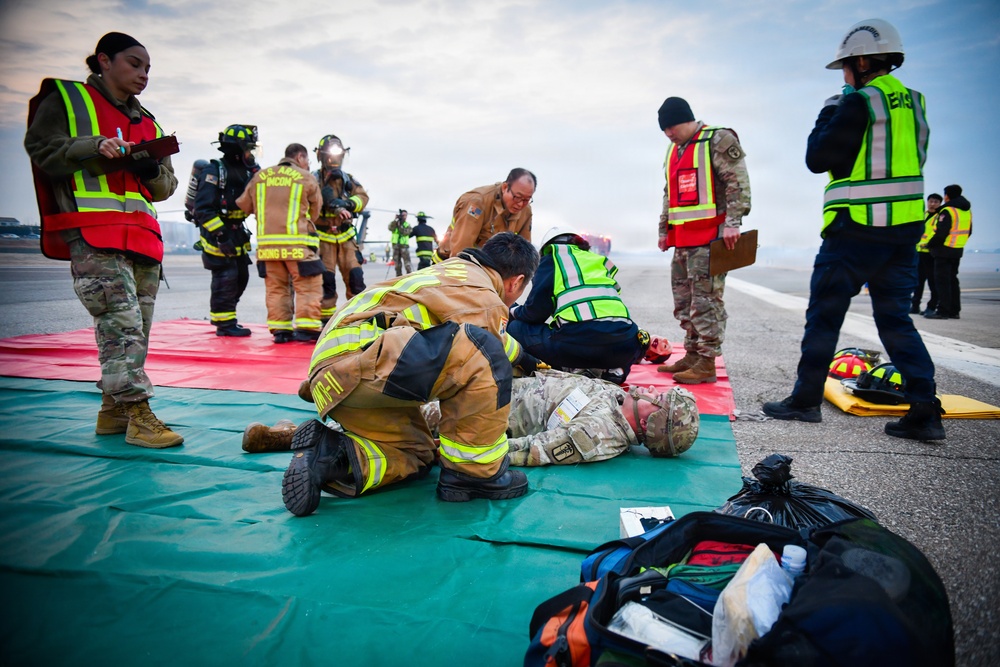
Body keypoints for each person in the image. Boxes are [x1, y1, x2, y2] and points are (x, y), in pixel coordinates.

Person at [762, 19, 944, 441]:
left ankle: (805, 400)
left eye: (845, 67)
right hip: (903, 233)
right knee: (896, 321)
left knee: (824, 317)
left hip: (856, 228)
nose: (844, 76)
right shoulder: (914, 103)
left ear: (862, 61)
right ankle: (924, 410)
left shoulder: (859, 102)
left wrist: (829, 111)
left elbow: (818, 158)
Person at [280, 232, 543, 517]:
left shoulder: (451, 273)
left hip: (335, 383)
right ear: (517, 282)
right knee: (483, 353)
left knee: (417, 454)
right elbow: (488, 345)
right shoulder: (483, 294)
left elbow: (494, 336)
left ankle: (331, 455)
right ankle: (476, 474)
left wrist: (528, 359)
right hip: (366, 362)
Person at [24, 32, 182, 448]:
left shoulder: (149, 122)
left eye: (148, 68)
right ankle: (137, 413)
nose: (143, 74)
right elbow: (41, 149)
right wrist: (94, 146)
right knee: (121, 325)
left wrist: (148, 165)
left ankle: (112, 411)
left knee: (138, 328)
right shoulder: (67, 99)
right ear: (103, 60)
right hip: (95, 234)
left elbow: (166, 186)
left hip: (144, 239)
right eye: (134, 64)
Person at [245, 370, 700, 465]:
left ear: (656, 420)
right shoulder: (618, 399)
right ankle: (334, 394)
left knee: (398, 421)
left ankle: (286, 437)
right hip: (484, 387)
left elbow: (536, 451)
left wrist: (467, 449)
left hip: (478, 414)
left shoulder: (602, 435)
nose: (652, 391)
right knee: (406, 390)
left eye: (660, 398)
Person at [655, 96, 751, 385]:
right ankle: (693, 353)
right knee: (684, 301)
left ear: (687, 119)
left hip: (711, 240)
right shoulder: (674, 151)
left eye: (672, 127)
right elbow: (668, 194)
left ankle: (707, 362)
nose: (669, 133)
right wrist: (663, 230)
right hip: (683, 241)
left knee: (706, 301)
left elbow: (738, 181)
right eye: (664, 129)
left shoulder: (716, 139)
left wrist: (733, 223)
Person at [507, 231, 646, 384]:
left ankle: (564, 369)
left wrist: (513, 309)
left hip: (584, 341)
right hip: (627, 345)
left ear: (548, 247)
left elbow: (535, 312)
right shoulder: (598, 260)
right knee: (619, 336)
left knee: (517, 328)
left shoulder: (553, 259)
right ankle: (617, 370)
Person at [236, 143, 325, 343]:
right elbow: (316, 212)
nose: (308, 165)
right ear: (300, 157)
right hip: (297, 246)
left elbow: (244, 205)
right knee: (308, 285)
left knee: (276, 288)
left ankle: (281, 331)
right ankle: (307, 328)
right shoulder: (305, 177)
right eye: (307, 161)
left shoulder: (260, 177)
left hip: (268, 249)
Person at [191, 123, 260, 336]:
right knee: (225, 277)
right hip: (217, 233)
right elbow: (203, 209)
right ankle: (224, 324)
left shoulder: (248, 172)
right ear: (237, 149)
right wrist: (221, 235)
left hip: (237, 231)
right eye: (248, 148)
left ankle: (227, 315)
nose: (251, 153)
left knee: (241, 277)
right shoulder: (214, 171)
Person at [313, 134, 369, 319]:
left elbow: (362, 197)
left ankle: (358, 318)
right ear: (321, 155)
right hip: (324, 239)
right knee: (326, 282)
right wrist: (329, 202)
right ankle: (325, 321)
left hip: (346, 238)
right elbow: (308, 202)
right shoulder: (314, 179)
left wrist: (349, 204)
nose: (334, 159)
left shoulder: (348, 179)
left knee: (356, 279)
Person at [433, 168, 535, 262]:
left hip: (487, 268)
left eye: (526, 200)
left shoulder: (525, 212)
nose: (521, 204)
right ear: (504, 187)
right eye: (517, 197)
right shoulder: (476, 203)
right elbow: (460, 252)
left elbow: (523, 253)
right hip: (449, 264)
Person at [924, 184, 972, 320]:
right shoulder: (966, 211)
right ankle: (954, 310)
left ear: (947, 195)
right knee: (953, 281)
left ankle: (943, 310)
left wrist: (930, 244)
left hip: (943, 251)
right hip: (957, 249)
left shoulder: (948, 211)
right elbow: (969, 231)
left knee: (942, 282)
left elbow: (941, 233)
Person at [912, 193, 942, 315]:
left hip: (931, 253)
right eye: (930, 201)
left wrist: (929, 244)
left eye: (936, 202)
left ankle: (931, 307)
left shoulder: (940, 216)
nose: (932, 204)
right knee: (917, 281)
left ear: (940, 204)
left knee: (933, 282)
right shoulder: (923, 214)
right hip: (919, 252)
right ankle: (915, 305)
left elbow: (938, 233)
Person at [388, 209, 412, 276]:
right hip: (396, 246)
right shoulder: (395, 224)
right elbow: (390, 228)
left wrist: (400, 226)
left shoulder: (407, 225)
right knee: (397, 264)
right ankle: (398, 276)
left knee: (407, 264)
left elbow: (406, 232)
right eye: (402, 215)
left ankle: (409, 276)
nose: (404, 217)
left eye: (405, 215)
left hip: (404, 246)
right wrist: (395, 220)